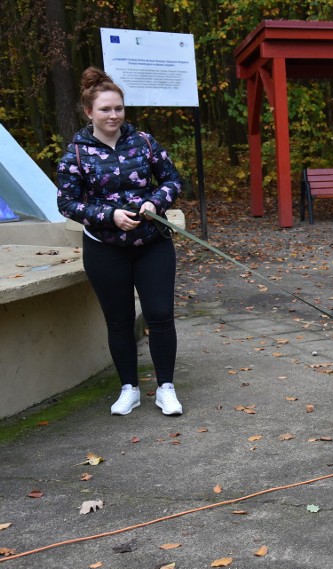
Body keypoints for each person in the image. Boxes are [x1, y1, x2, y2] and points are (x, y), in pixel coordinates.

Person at [56, 67, 184, 416]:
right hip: (104, 248)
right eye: (105, 109)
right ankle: (129, 387)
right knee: (119, 320)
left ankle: (165, 388)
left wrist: (154, 202)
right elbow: (66, 203)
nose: (114, 115)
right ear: (89, 113)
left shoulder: (143, 142)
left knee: (159, 315)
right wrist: (108, 215)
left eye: (118, 108)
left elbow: (172, 181)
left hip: (152, 243)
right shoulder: (76, 155)